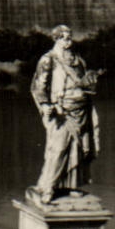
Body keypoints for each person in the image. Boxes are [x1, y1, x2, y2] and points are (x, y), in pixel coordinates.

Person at [30, 24, 102, 204]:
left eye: (70, 37)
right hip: (62, 110)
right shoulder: (48, 59)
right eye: (64, 37)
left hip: (81, 108)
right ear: (56, 38)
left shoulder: (78, 60)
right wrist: (45, 104)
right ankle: (48, 186)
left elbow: (84, 83)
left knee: (78, 148)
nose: (68, 41)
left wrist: (90, 82)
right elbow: (39, 85)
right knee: (59, 147)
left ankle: (72, 185)